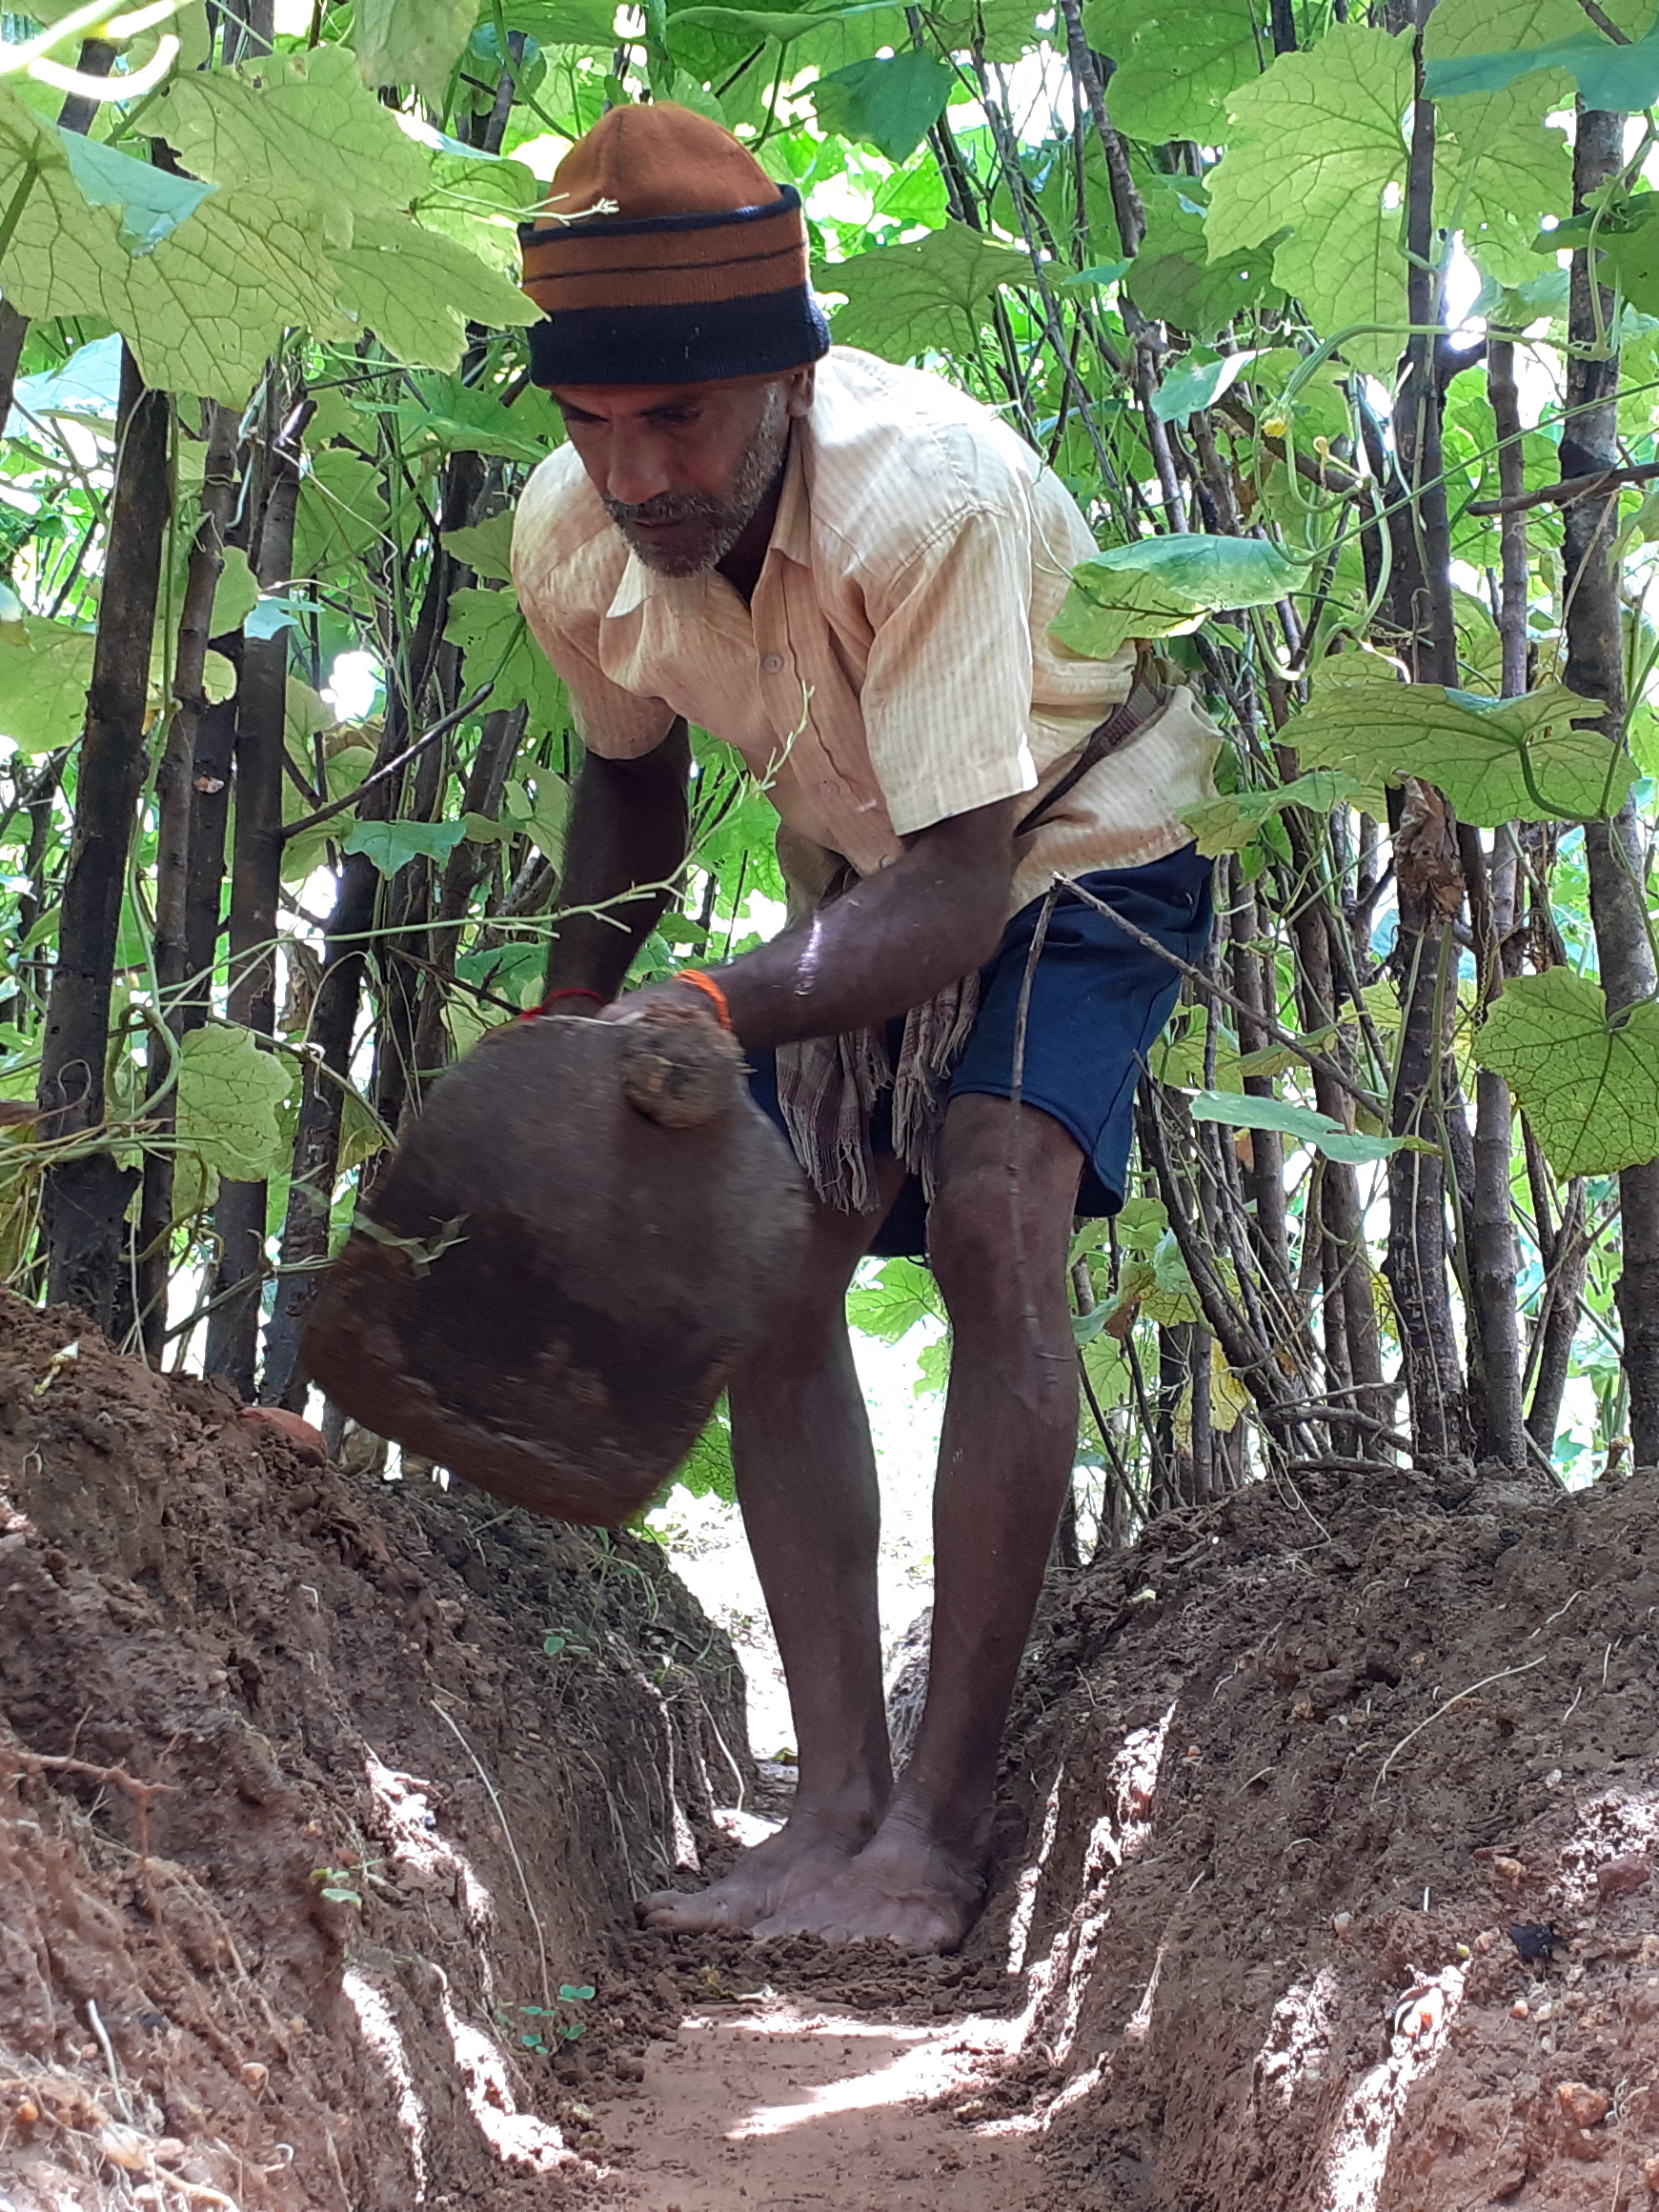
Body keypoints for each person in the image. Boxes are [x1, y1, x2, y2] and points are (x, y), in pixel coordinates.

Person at [510, 104, 1222, 1951]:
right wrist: (571, 1018)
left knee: (993, 1207)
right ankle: (827, 1803)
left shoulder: (931, 498)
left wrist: (715, 1004)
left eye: (676, 421)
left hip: (1081, 835)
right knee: (772, 1264)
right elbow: (632, 802)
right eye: (593, 430)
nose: (635, 474)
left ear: (778, 376)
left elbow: (965, 890)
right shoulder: (571, 543)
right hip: (858, 863)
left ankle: (941, 1823)